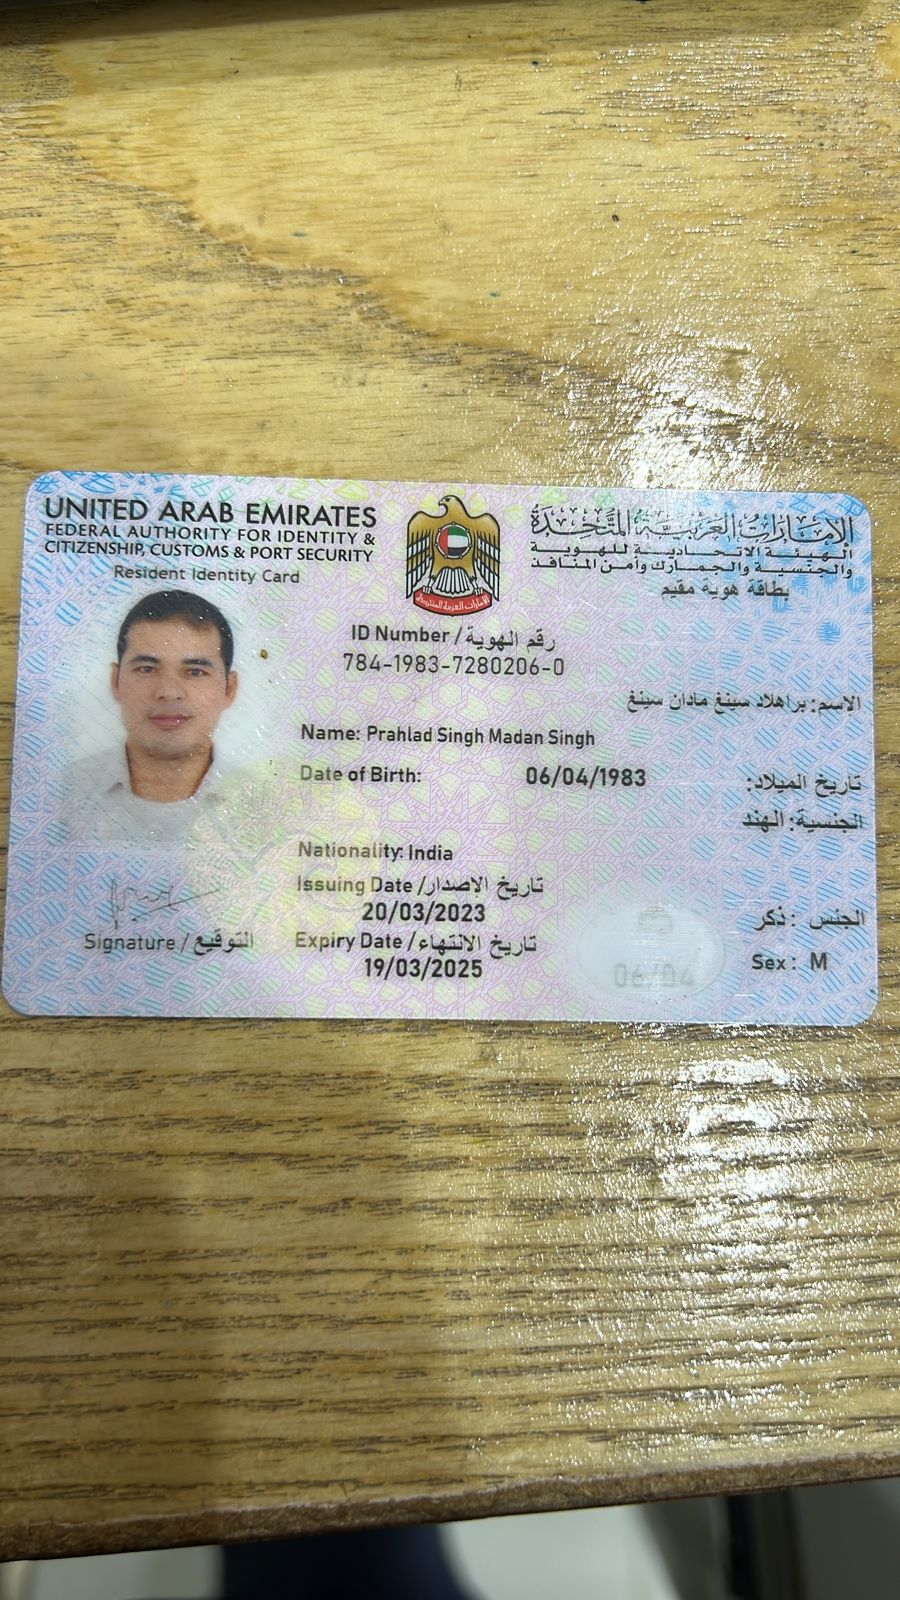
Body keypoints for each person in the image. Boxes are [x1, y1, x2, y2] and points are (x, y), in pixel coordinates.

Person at [62, 589, 239, 844]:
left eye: (195, 672)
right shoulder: (60, 791)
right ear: (116, 681)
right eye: (146, 669)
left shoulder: (268, 803)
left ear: (229, 689)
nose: (168, 692)